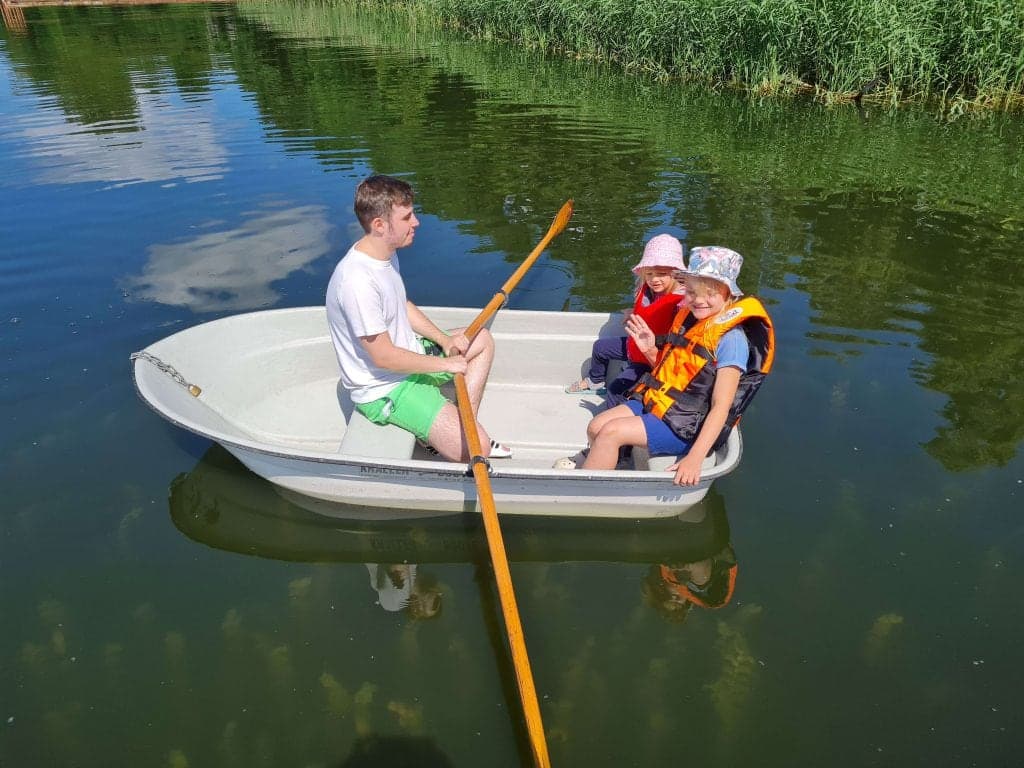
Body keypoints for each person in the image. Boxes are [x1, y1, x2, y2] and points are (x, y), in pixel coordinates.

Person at [327, 175, 510, 461]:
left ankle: (464, 423)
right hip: (387, 387)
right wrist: (444, 363)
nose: (417, 223)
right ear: (379, 225)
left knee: (482, 340)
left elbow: (402, 304)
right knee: (479, 448)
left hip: (408, 358)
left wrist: (444, 340)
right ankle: (461, 437)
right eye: (407, 217)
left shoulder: (385, 253)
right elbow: (384, 358)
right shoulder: (356, 282)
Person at [578, 246, 775, 484]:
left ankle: (590, 490)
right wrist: (650, 349)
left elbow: (721, 407)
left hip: (685, 424)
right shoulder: (689, 319)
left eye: (710, 293)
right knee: (596, 425)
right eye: (691, 292)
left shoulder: (731, 341)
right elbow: (672, 375)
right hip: (659, 402)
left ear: (728, 294)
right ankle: (611, 464)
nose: (698, 300)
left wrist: (694, 458)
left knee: (610, 433)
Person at [564, 234, 687, 408]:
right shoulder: (648, 289)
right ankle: (596, 382)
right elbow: (648, 309)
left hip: (650, 360)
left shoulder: (681, 301)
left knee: (616, 390)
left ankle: (618, 417)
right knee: (600, 348)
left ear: (675, 273)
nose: (654, 279)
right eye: (649, 274)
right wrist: (633, 312)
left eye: (662, 274)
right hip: (633, 346)